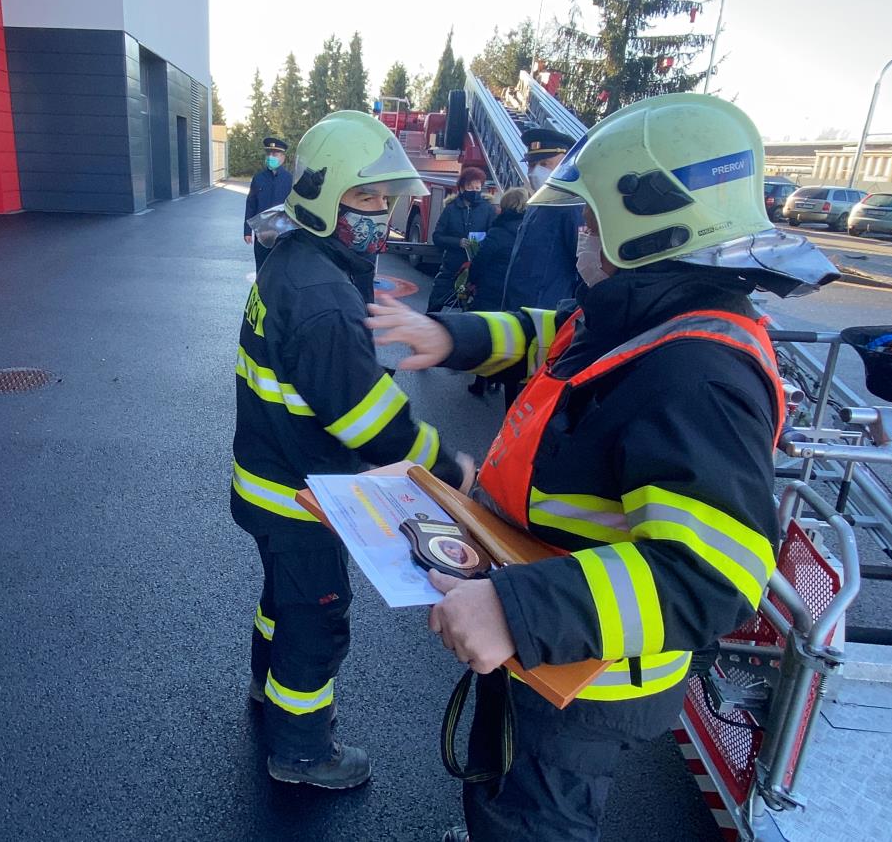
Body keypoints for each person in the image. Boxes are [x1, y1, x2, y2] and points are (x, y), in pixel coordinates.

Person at [364, 93, 839, 842]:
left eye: (592, 220)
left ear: (652, 222)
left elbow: (714, 575)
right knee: (504, 789)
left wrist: (519, 610)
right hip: (544, 629)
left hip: (587, 673)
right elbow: (550, 334)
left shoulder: (694, 374)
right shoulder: (645, 308)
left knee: (538, 816)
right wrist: (450, 334)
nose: (581, 235)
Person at [232, 110, 474, 790]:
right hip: (304, 498)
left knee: (282, 600)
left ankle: (265, 686)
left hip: (268, 483)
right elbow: (369, 422)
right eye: (365, 198)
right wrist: (446, 467)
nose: (380, 214)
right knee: (317, 618)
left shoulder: (297, 262)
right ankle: (303, 751)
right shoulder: (321, 293)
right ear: (322, 195)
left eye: (383, 200)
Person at [500, 127, 583, 311]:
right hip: (518, 310)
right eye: (531, 165)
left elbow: (583, 269)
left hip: (545, 315)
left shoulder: (571, 205)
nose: (534, 171)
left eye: (545, 164)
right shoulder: (537, 203)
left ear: (566, 163)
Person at [463, 188, 526, 395]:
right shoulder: (529, 229)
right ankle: (499, 379)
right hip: (515, 290)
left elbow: (481, 260)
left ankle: (481, 380)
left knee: (488, 333)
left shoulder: (499, 231)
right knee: (509, 334)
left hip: (491, 289)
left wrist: (472, 281)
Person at [428, 167, 494, 311]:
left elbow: (493, 235)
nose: (474, 191)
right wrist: (458, 242)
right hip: (451, 265)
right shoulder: (451, 209)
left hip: (475, 266)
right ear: (462, 188)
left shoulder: (488, 209)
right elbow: (437, 237)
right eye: (470, 187)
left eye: (478, 187)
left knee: (471, 307)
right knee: (436, 300)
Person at [243, 136, 294, 270]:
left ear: (283, 157)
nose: (271, 156)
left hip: (283, 235)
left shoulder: (290, 180)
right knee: (261, 269)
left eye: (275, 154)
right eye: (269, 153)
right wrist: (247, 231)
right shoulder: (258, 178)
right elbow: (251, 204)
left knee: (280, 270)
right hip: (262, 235)